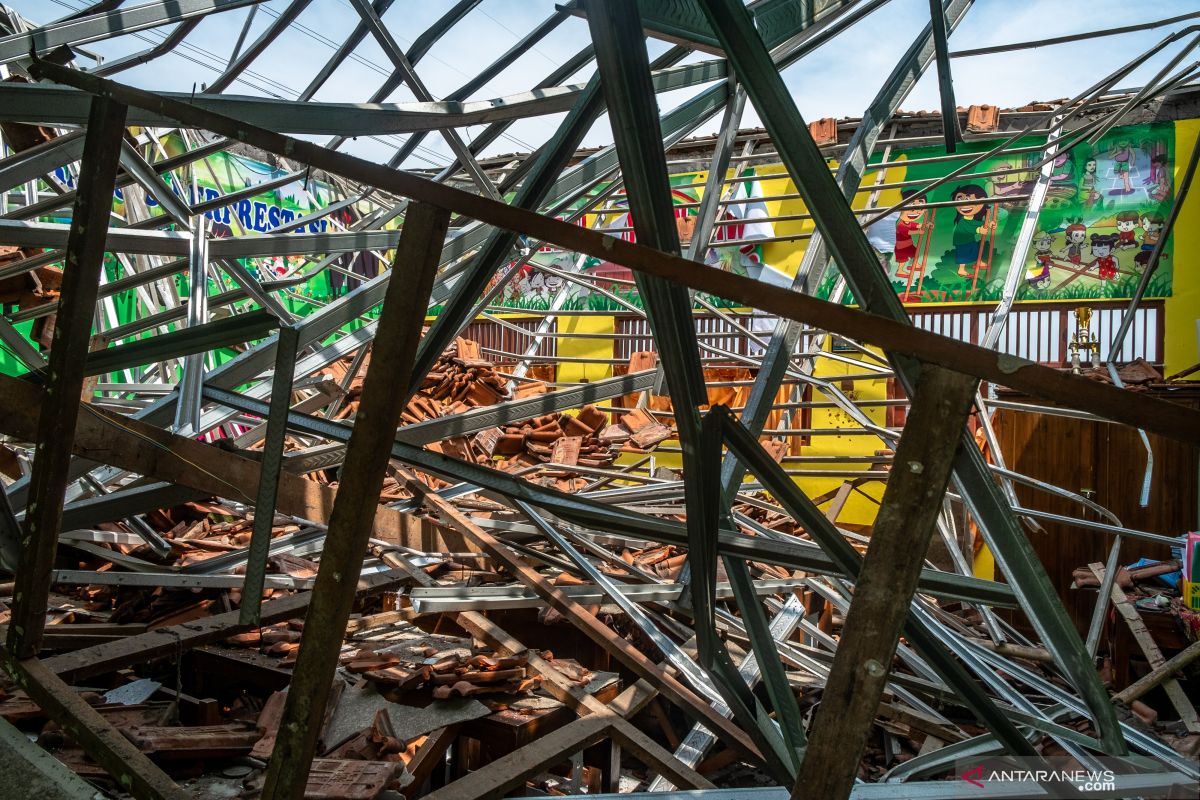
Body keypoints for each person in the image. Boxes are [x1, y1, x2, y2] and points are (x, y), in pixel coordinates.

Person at [950, 184, 992, 278]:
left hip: (969, 239)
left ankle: (978, 261)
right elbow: (969, 227)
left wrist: (988, 224)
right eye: (960, 200)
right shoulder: (963, 220)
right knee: (963, 255)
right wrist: (979, 230)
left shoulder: (972, 218)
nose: (964, 204)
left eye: (969, 200)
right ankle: (961, 270)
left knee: (975, 249)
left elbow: (976, 223)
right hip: (961, 241)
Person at [893, 189, 929, 278]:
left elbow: (916, 225)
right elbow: (907, 231)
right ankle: (900, 270)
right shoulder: (900, 224)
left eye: (920, 206)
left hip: (908, 244)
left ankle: (915, 264)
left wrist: (926, 224)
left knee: (915, 253)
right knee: (903, 259)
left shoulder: (908, 223)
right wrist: (918, 232)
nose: (916, 211)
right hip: (901, 246)